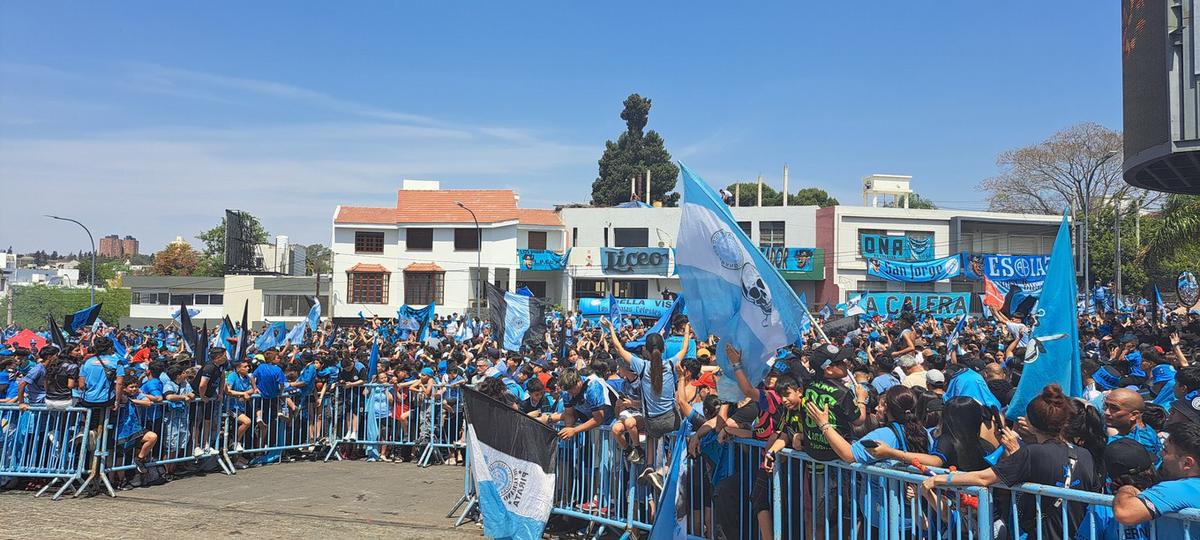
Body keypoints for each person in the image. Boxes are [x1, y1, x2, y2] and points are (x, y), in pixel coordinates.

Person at [920, 384, 1098, 540]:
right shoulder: (1085, 455)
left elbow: (984, 478)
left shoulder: (1030, 453)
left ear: (1031, 422)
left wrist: (939, 480)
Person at [807, 385, 931, 533]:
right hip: (914, 516)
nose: (877, 409)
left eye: (880, 405)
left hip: (884, 516)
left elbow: (849, 455)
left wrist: (824, 424)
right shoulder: (923, 433)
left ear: (888, 409)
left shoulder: (884, 435)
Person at [1112, 422, 1200, 538]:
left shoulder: (1181, 489)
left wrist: (1127, 489)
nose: (1161, 454)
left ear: (1187, 463)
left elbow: (1125, 512)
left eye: (1166, 450)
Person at [1103, 388, 1162, 466]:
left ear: (1134, 415)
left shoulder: (1142, 442)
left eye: (1114, 408)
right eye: (1106, 406)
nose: (1106, 412)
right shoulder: (1132, 430)